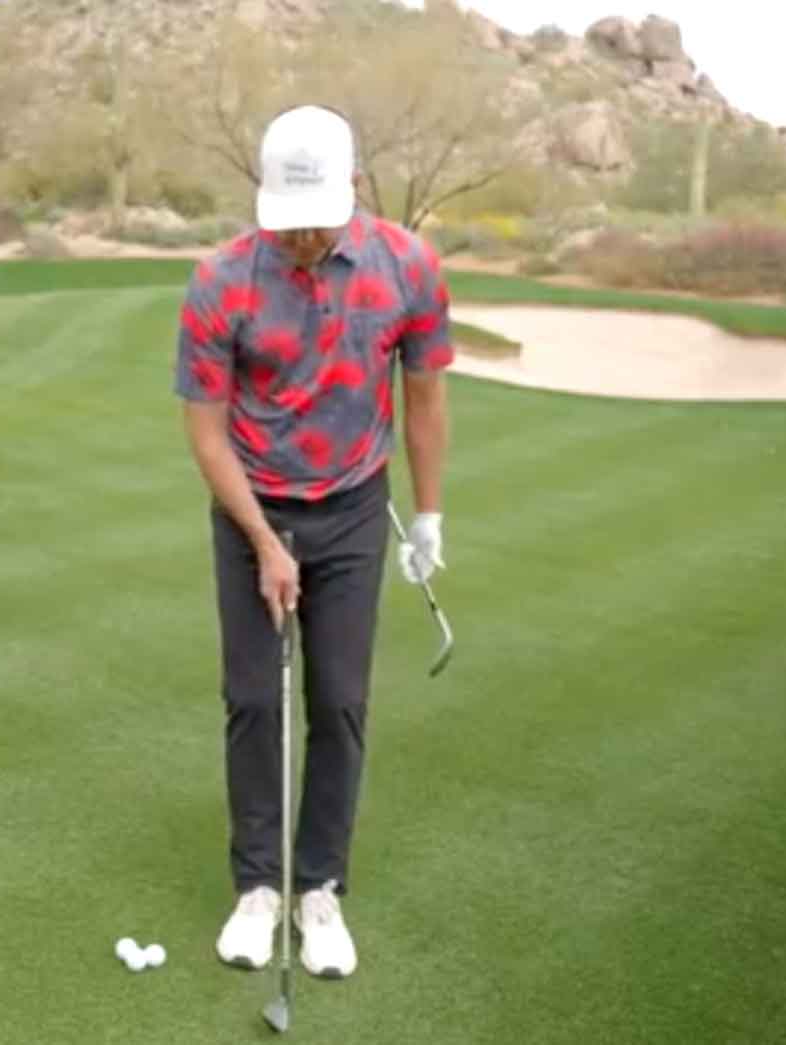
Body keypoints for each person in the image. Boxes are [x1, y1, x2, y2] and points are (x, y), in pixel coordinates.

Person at [174, 105, 453, 980]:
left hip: (353, 511)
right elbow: (207, 433)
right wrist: (262, 538)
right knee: (255, 700)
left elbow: (427, 400)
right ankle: (258, 887)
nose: (299, 239)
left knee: (337, 702)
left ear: (354, 191)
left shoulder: (408, 267)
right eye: (285, 222)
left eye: (316, 221)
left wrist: (431, 513)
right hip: (251, 506)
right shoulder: (221, 281)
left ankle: (319, 887)